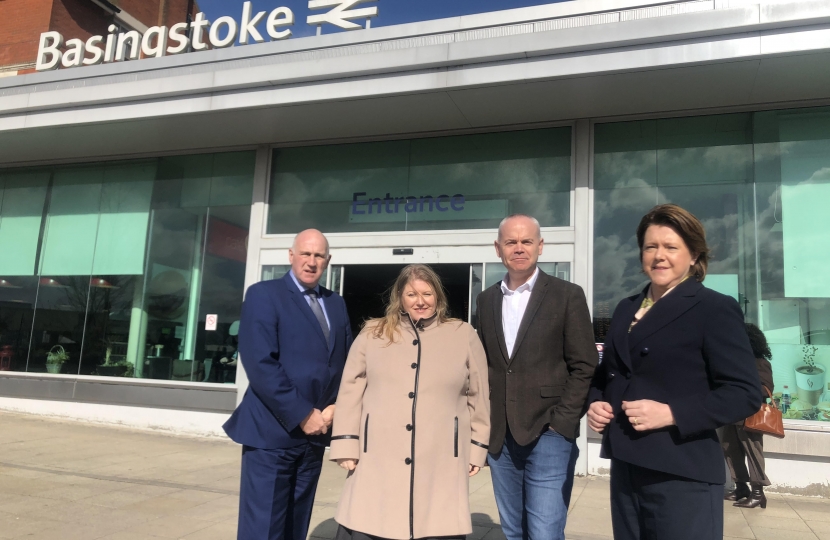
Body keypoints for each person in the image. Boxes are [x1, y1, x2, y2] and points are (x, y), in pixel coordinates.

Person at [587, 204, 762, 540]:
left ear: (694, 255)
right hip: (626, 464)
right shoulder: (626, 308)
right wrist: (595, 402)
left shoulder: (713, 307)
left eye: (671, 247)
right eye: (651, 246)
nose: (659, 256)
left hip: (683, 471)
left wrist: (671, 413)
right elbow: (608, 373)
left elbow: (744, 393)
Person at [330, 264, 490, 540]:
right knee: (373, 525)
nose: (420, 301)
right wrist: (346, 442)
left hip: (441, 459)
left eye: (427, 293)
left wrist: (477, 448)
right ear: (400, 297)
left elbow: (479, 396)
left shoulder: (463, 334)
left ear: (438, 297)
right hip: (377, 457)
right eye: (412, 294)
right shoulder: (372, 333)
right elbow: (350, 390)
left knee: (438, 528)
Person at [475, 214, 599, 540]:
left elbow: (584, 364)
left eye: (526, 241)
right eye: (511, 242)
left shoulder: (566, 295)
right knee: (514, 531)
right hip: (501, 436)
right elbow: (484, 365)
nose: (519, 248)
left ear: (540, 246)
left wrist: (562, 424)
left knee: (544, 531)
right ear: (498, 248)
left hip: (549, 433)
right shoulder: (486, 300)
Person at [223, 229, 353, 540]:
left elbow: (345, 361)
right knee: (263, 529)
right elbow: (260, 363)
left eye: (318, 256)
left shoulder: (336, 304)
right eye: (305, 254)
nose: (311, 262)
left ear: (328, 261)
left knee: (296, 524)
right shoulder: (263, 294)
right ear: (290, 255)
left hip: (316, 435)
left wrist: (337, 405)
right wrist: (302, 413)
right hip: (271, 434)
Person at [721, 323, 775, 509]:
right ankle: (741, 487)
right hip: (731, 415)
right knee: (730, 450)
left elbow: (766, 389)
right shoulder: (734, 360)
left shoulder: (760, 362)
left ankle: (758, 493)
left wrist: (742, 388)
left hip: (751, 415)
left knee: (753, 453)